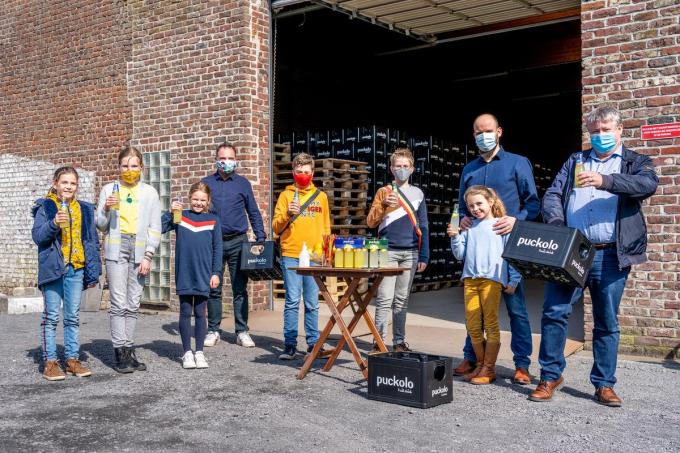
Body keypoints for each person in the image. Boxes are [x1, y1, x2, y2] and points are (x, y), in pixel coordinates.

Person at [529, 105, 658, 407]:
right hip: (572, 250)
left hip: (611, 254)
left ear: (619, 130)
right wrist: (559, 227)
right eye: (594, 131)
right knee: (554, 312)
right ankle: (550, 376)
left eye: (605, 130)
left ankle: (604, 384)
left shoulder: (634, 162)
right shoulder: (576, 160)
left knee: (606, 321)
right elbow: (552, 195)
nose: (599, 136)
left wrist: (606, 181)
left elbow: (647, 185)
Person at [454, 113, 540, 385]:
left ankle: (522, 364)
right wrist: (463, 220)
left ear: (499, 131)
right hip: (478, 246)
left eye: (487, 130)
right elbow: (460, 207)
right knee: (475, 309)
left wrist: (517, 220)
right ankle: (473, 357)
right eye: (477, 132)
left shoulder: (517, 163)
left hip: (508, 247)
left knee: (516, 309)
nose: (483, 136)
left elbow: (533, 204)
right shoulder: (469, 169)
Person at [31, 166, 102, 381]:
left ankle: (72, 360)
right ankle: (50, 362)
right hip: (53, 269)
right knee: (51, 316)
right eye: (65, 182)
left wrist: (93, 272)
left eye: (72, 183)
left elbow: (91, 242)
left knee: (72, 317)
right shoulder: (46, 207)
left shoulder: (84, 209)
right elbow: (38, 237)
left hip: (76, 268)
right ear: (56, 184)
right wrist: (53, 224)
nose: (69, 187)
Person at [96, 146, 161, 374]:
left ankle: (129, 347)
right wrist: (105, 208)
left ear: (141, 167)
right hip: (116, 248)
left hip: (139, 249)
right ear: (119, 167)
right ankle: (119, 351)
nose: (129, 170)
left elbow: (155, 227)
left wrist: (148, 255)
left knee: (133, 302)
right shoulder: (109, 190)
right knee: (118, 302)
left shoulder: (150, 193)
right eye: (125, 166)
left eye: (134, 166)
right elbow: (101, 225)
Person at [448, 186, 521, 385]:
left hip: (492, 280)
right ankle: (480, 364)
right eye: (471, 205)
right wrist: (455, 236)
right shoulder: (469, 227)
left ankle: (489, 368)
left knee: (490, 323)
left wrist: (514, 280)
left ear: (490, 201)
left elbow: (513, 255)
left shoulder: (501, 225)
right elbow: (459, 254)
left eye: (479, 203)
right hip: (470, 280)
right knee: (472, 325)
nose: (475, 208)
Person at [201, 143, 266, 348]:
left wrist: (260, 237)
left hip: (239, 241)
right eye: (223, 157)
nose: (226, 161)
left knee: (240, 288)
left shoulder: (243, 184)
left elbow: (253, 211)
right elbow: (199, 211)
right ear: (216, 159)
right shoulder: (206, 183)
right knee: (214, 288)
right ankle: (213, 329)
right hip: (214, 242)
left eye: (230, 158)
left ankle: (242, 331)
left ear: (235, 160)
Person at [367, 148, 429, 353]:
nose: (402, 169)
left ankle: (399, 341)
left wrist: (425, 254)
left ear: (412, 169)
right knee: (384, 298)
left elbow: (424, 225)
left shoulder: (418, 193)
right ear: (391, 169)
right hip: (387, 251)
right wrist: (383, 205)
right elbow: (371, 222)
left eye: (405, 166)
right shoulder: (383, 192)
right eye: (398, 166)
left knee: (402, 299)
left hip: (410, 252)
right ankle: (379, 341)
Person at [272, 152, 330, 360]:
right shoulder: (286, 196)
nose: (303, 175)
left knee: (313, 302)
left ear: (312, 173)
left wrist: (327, 253)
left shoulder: (321, 197)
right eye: (299, 172)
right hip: (291, 253)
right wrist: (288, 213)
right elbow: (276, 227)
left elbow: (326, 227)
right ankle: (289, 344)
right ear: (293, 173)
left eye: (306, 172)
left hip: (314, 256)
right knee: (292, 300)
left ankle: (313, 343)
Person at [162, 182, 222, 369]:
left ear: (208, 201)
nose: (198, 203)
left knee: (200, 313)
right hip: (185, 271)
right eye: (195, 199)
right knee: (186, 311)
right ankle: (187, 352)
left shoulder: (214, 220)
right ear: (189, 198)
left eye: (202, 200)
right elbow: (162, 227)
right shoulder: (181, 217)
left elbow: (218, 248)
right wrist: (171, 212)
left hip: (204, 273)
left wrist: (216, 273)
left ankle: (200, 352)